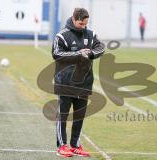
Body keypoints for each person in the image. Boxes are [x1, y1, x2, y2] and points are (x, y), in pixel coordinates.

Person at [51, 8, 105, 158]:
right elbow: (57, 54)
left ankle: (75, 145)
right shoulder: (61, 36)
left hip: (85, 82)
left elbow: (101, 47)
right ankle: (62, 146)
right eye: (81, 23)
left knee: (79, 116)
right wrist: (78, 53)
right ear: (74, 19)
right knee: (63, 116)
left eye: (86, 23)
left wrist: (92, 53)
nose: (83, 26)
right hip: (65, 83)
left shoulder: (91, 34)